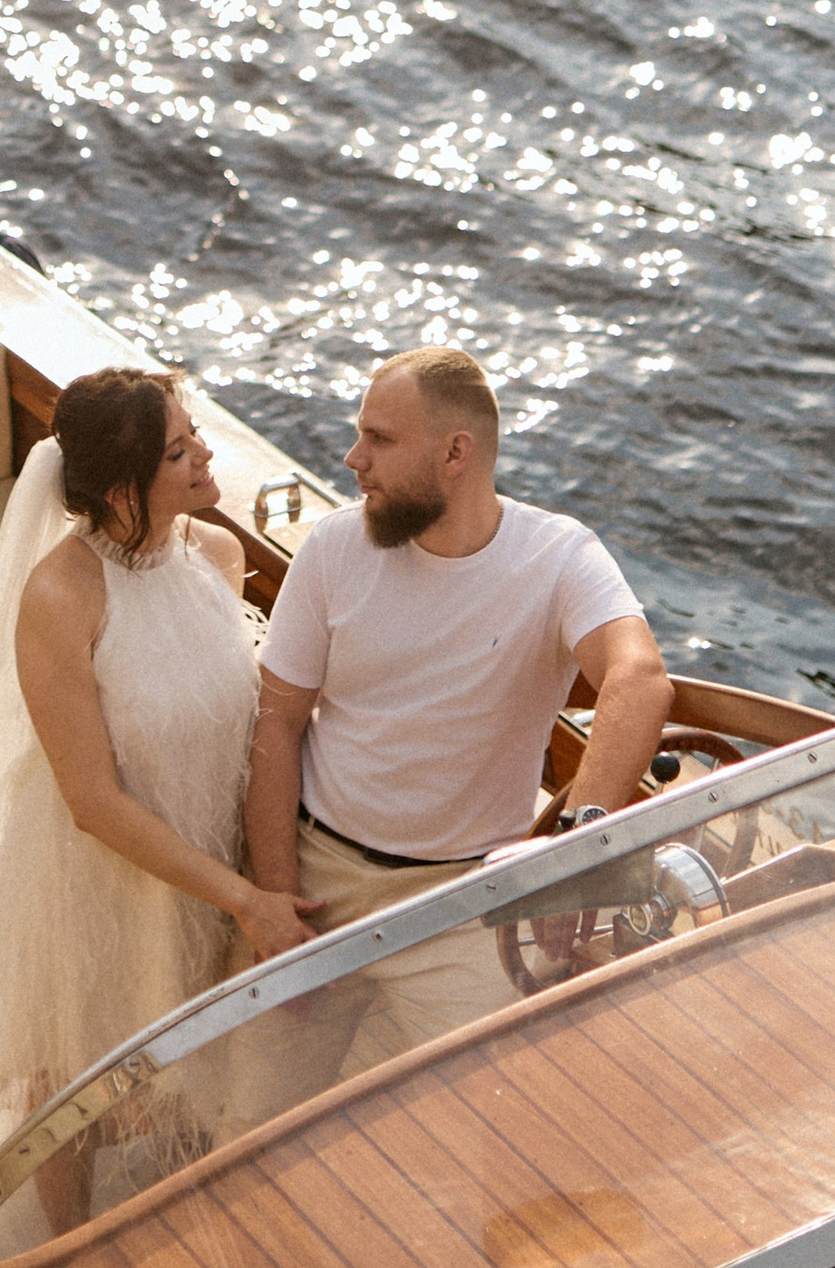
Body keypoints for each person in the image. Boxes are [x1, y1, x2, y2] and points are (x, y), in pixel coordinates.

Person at [242, 344, 669, 1056]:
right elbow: (277, 723)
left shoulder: (559, 556)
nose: (353, 458)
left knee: (490, 1106)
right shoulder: (333, 547)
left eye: (379, 439)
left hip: (468, 905)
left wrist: (580, 844)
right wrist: (277, 901)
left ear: (454, 453)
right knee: (250, 1110)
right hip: (317, 876)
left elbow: (640, 679)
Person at [0, 367, 315, 1199]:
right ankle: (70, 1243)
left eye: (196, 436)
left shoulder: (218, 555)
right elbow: (91, 802)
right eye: (179, 452)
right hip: (101, 876)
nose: (205, 456)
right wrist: (245, 898)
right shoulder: (61, 595)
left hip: (210, 863)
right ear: (122, 488)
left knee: (190, 1063)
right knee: (72, 1086)